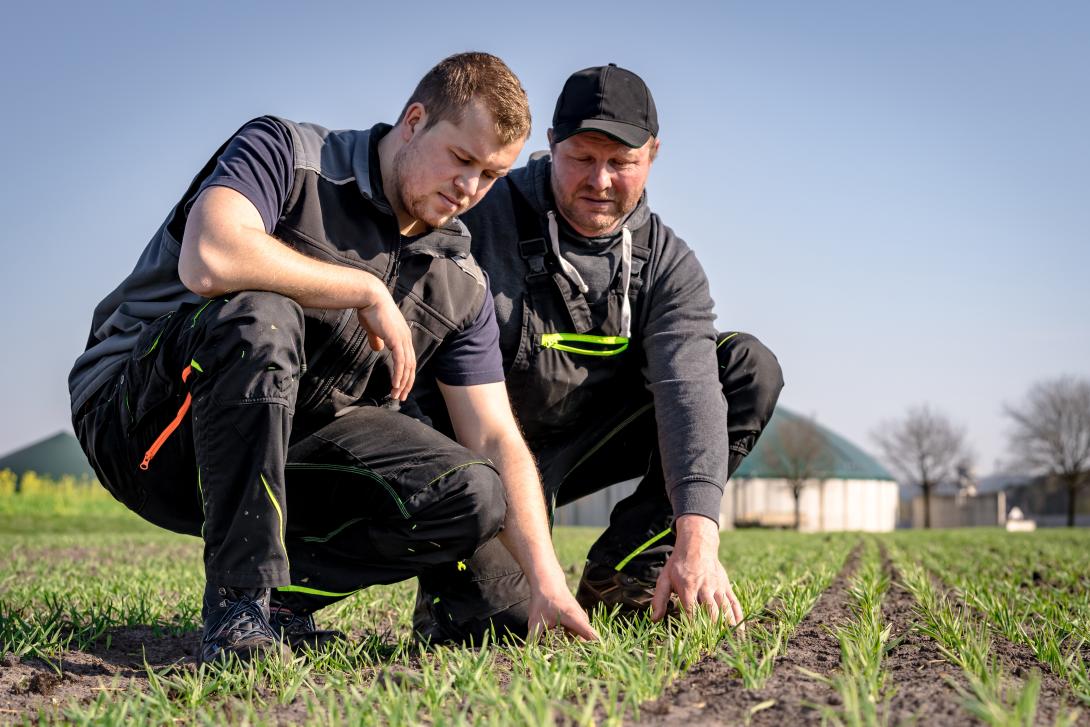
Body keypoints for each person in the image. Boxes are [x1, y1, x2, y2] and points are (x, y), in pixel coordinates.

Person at [69, 52, 597, 664]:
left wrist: (548, 582)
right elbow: (210, 256)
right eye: (461, 159)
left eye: (491, 176)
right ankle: (240, 607)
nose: (470, 188)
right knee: (262, 315)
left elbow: (496, 436)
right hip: (144, 425)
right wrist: (362, 288)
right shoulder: (287, 155)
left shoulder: (460, 280)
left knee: (475, 490)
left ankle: (283, 603)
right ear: (415, 120)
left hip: (284, 454)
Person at [410, 64, 784, 643]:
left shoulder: (666, 263)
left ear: (652, 155)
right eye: (582, 158)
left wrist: (699, 538)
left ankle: (626, 569)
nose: (601, 180)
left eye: (622, 163)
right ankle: (462, 576)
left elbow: (689, 393)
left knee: (743, 366)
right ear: (551, 146)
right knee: (501, 630)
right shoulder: (477, 221)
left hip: (585, 445)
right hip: (478, 453)